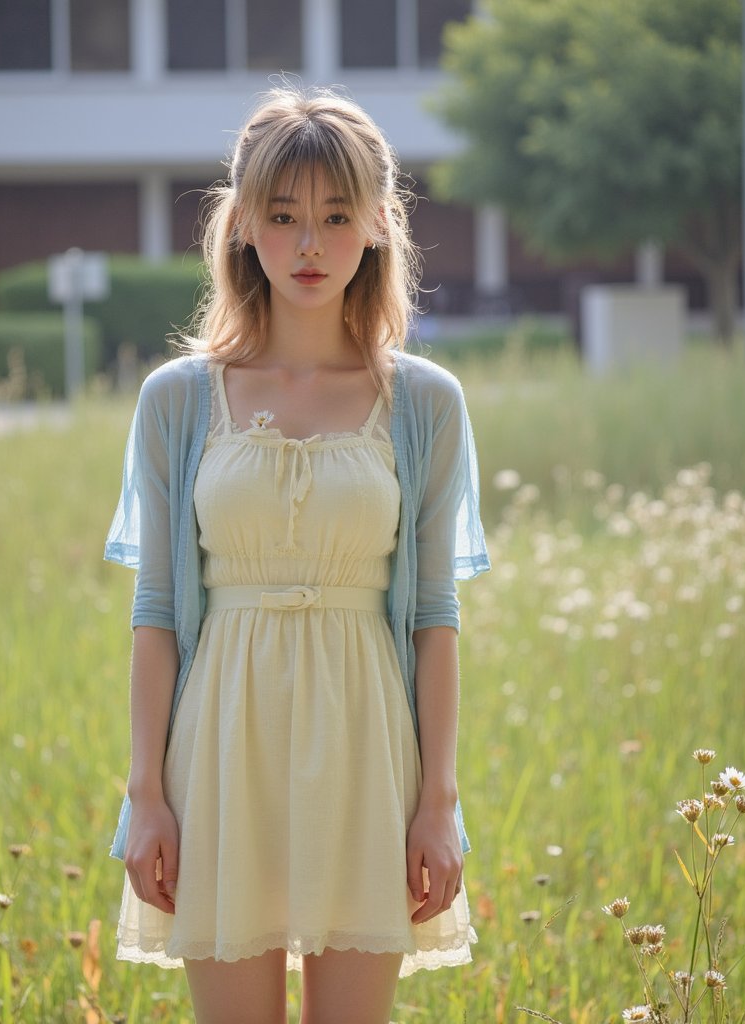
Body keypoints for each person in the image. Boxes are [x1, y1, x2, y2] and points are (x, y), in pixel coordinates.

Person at [104, 86, 490, 1024]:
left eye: (334, 216)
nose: (309, 244)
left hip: (366, 747)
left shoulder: (426, 403)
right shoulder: (177, 401)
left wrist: (438, 804)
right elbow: (157, 609)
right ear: (241, 226)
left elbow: (435, 618)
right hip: (222, 748)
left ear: (376, 228)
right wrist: (145, 795)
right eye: (282, 217)